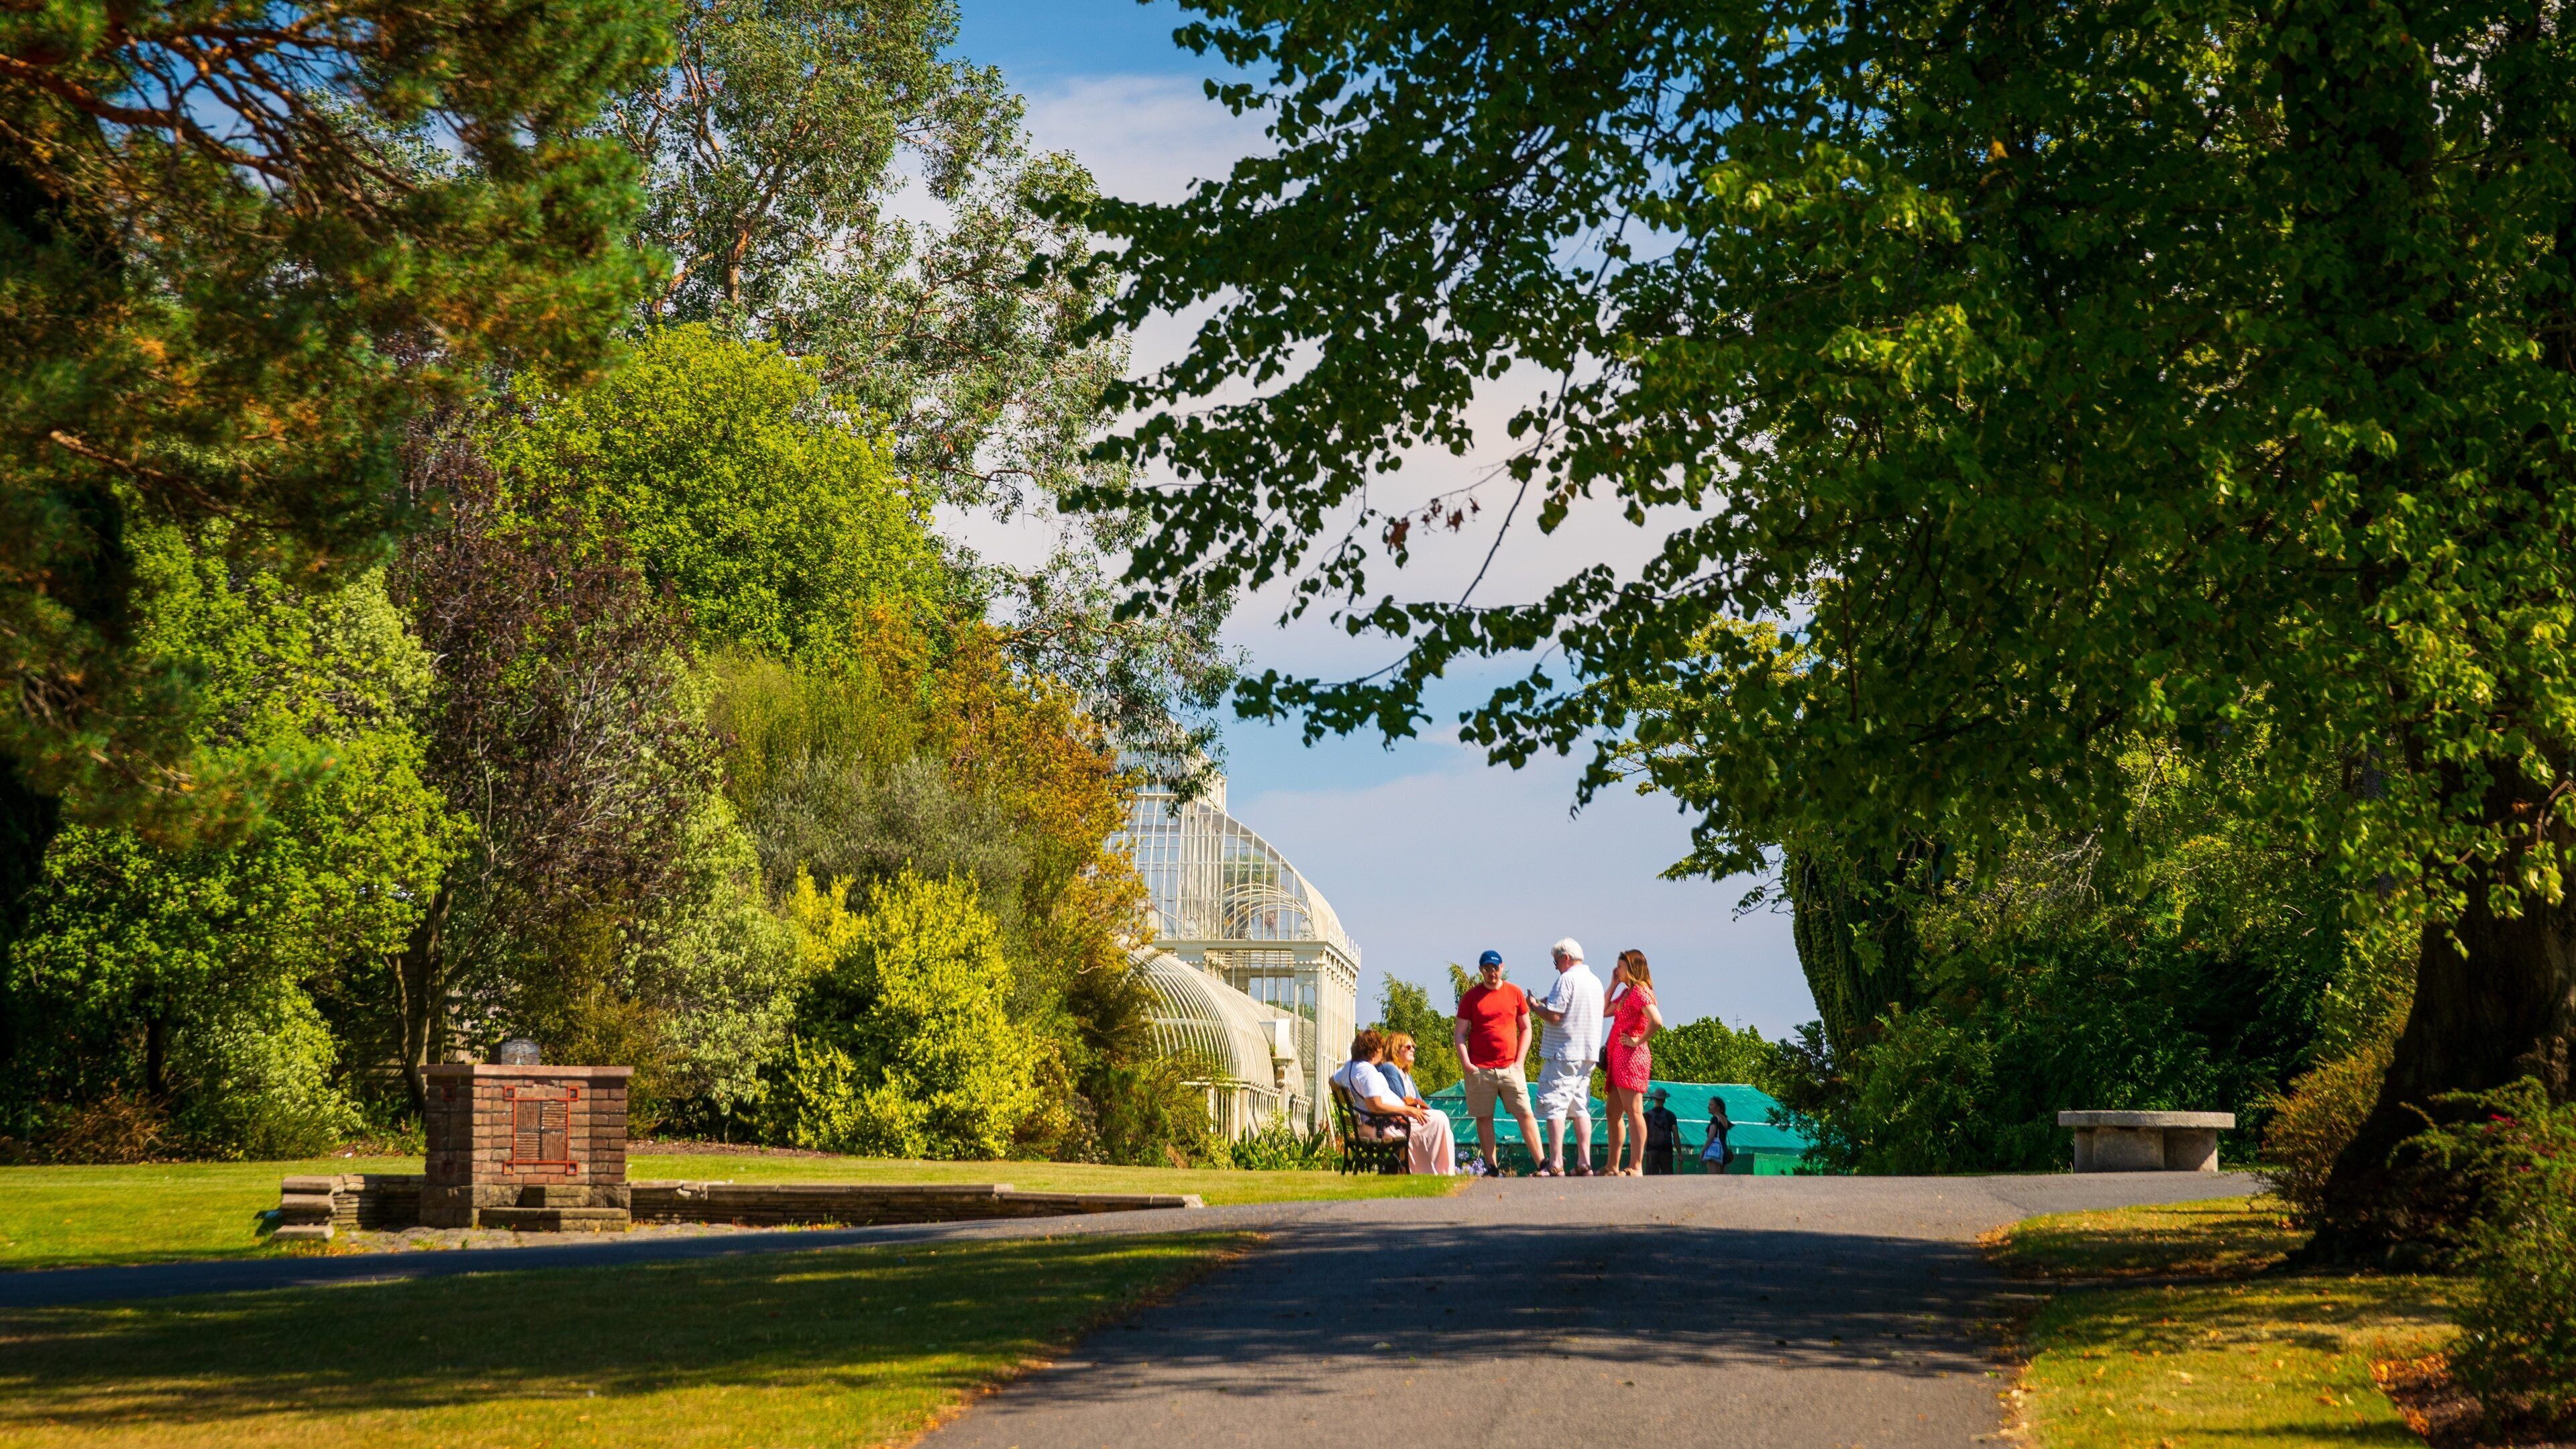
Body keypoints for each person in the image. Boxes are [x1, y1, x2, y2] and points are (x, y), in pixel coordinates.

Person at [1454, 949, 1541, 1177]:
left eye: (1495, 968)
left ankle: (1542, 1162)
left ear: (1502, 967)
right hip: (1481, 1068)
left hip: (1511, 1066)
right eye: (1487, 969)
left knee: (1525, 1112)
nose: (1492, 973)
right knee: (1484, 1116)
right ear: (1481, 970)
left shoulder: (1515, 993)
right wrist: (1467, 1064)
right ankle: (1491, 1166)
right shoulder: (1471, 997)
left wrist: (1520, 1061)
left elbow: (1526, 1028)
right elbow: (1460, 1033)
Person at [1527, 937, 1605, 1177]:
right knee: (1581, 1106)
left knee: (1555, 1106)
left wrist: (1534, 1006)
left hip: (1564, 1053)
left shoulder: (1566, 979)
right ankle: (1584, 1162)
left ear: (1566, 958)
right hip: (1588, 1053)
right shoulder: (1595, 981)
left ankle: (1556, 1162)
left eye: (1556, 962)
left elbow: (1555, 1016)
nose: (1556, 966)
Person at [1331, 1030, 1454, 1175]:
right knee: (1439, 1119)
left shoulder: (1349, 1067)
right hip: (1381, 1125)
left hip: (1378, 1122)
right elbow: (1375, 1106)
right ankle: (1438, 1171)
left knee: (1436, 1118)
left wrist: (1350, 1097)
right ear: (1375, 1050)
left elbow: (1332, 1082)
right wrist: (1409, 1110)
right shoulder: (1366, 1071)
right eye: (1380, 1048)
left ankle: (1429, 1170)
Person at [1602, 950, 1666, 1175]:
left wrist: (1638, 1040)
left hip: (1632, 1058)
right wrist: (1613, 983)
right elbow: (1604, 1010)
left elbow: (1656, 1020)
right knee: (1613, 1112)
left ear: (1631, 968)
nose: (1617, 970)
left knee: (1634, 1111)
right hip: (1617, 1059)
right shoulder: (1627, 993)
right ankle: (1612, 1165)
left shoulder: (1640, 991)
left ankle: (1636, 1165)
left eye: (1620, 967)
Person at [1376, 1032, 1458, 1176]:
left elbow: (1420, 1101)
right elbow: (1400, 1100)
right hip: (1396, 1120)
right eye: (1408, 1046)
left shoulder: (1406, 1075)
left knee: (1441, 1118)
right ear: (1396, 1049)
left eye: (1413, 1046)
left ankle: (1443, 1170)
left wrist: (1428, 1111)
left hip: (1408, 1115)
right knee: (1439, 1119)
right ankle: (1433, 1170)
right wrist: (1420, 1108)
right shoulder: (1390, 1069)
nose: (1413, 1049)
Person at [1642, 1087, 1680, 1175]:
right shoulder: (1671, 1115)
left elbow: (1643, 1136)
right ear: (1664, 1100)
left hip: (1651, 1151)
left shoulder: (1647, 1116)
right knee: (1667, 1178)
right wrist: (1680, 1154)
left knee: (1651, 1178)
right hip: (1666, 1152)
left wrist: (1641, 1154)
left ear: (1654, 1099)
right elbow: (1676, 1136)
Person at [1701, 1093, 1735, 1173]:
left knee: (1714, 1181)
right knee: (1721, 1181)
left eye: (1711, 1105)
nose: (1708, 1107)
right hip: (1724, 1149)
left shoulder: (1715, 1119)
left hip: (1715, 1150)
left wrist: (1703, 1151)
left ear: (1718, 1108)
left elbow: (1711, 1137)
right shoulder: (1725, 1119)